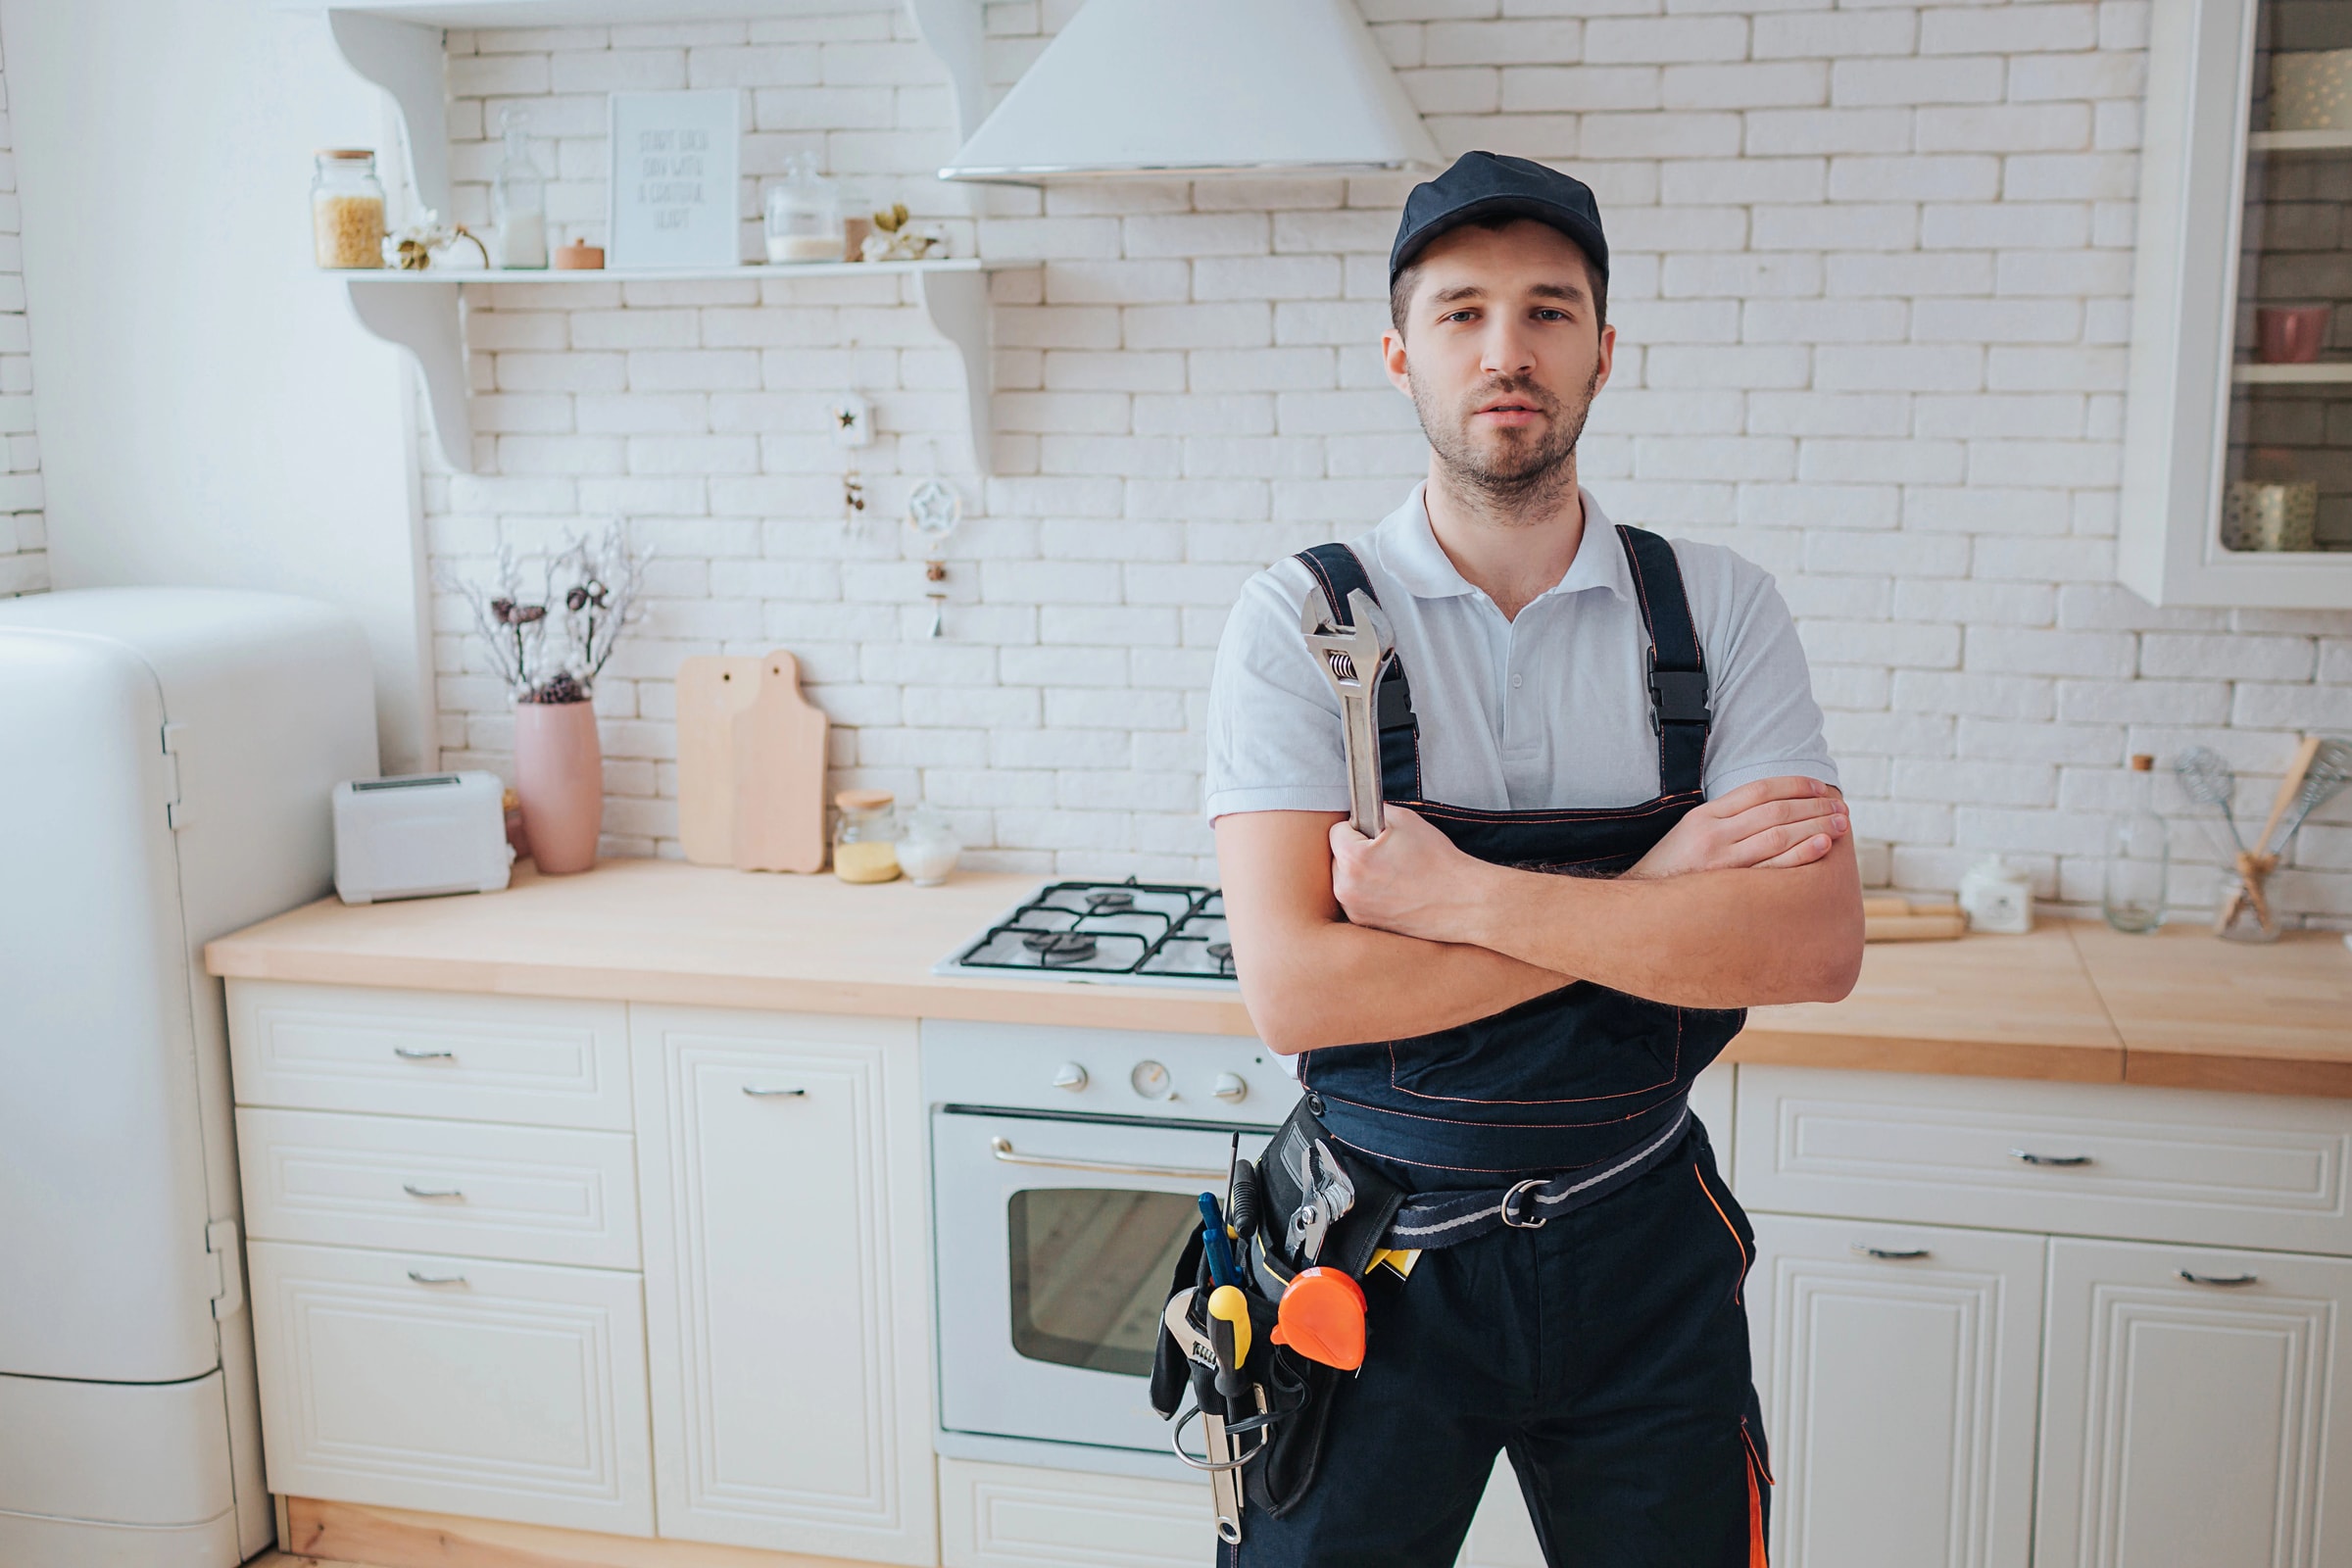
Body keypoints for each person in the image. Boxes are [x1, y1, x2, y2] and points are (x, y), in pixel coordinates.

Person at [1204, 151, 1866, 1567]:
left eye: (1550, 311)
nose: (1507, 351)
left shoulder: (1716, 612)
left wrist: (1460, 901)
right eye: (1461, 314)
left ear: (1605, 352)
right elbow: (1300, 997)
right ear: (1399, 354)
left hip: (1641, 1245)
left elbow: (1809, 948)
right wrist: (1653, 898)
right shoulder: (1307, 623)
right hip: (1370, 1269)